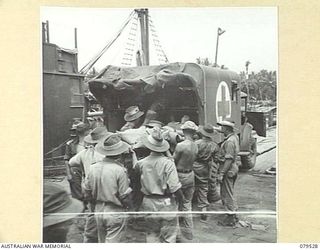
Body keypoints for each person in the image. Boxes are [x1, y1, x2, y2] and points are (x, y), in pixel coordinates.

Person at [135, 127, 184, 243]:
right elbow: (174, 187)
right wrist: (181, 201)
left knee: (151, 234)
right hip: (166, 202)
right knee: (169, 236)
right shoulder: (168, 163)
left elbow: (136, 181)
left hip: (148, 201)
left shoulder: (140, 164)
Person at [83, 134, 133, 243]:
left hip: (98, 209)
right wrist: (129, 207)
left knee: (102, 240)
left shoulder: (93, 168)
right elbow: (124, 195)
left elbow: (87, 192)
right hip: (115, 209)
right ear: (120, 153)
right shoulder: (119, 170)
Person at [69, 126, 110, 243]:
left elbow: (72, 163)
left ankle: (89, 238)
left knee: (92, 213)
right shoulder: (105, 154)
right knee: (105, 215)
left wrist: (83, 167)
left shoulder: (85, 152)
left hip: (89, 188)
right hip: (105, 188)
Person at [173, 121, 198, 241]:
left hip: (180, 175)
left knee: (176, 204)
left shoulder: (180, 146)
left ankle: (177, 235)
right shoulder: (195, 145)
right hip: (190, 175)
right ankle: (189, 233)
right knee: (187, 205)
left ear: (183, 131)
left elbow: (174, 160)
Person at [193, 124, 220, 222]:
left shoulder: (196, 143)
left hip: (194, 166)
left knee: (190, 187)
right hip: (205, 167)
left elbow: (191, 155)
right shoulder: (214, 145)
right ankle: (203, 211)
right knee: (203, 188)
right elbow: (216, 159)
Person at [216, 119, 240, 226]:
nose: (221, 128)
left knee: (227, 193)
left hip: (228, 169)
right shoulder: (234, 137)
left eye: (222, 127)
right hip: (233, 168)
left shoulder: (229, 142)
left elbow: (228, 159)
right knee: (230, 191)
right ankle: (233, 215)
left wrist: (221, 173)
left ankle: (231, 217)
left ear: (226, 129)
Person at [64, 121, 90, 201]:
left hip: (88, 168)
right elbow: (66, 160)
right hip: (75, 169)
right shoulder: (70, 144)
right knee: (76, 190)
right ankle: (80, 206)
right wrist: (68, 174)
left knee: (89, 189)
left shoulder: (91, 143)